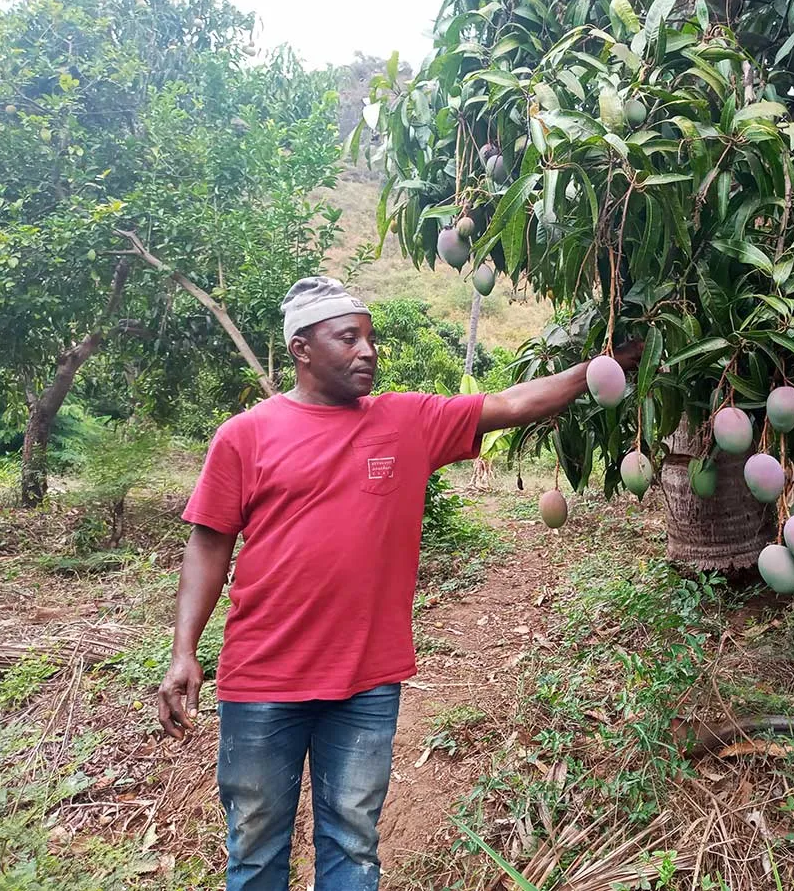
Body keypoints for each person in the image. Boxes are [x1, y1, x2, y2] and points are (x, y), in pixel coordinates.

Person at [157, 276, 641, 891]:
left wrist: (604, 363)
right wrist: (183, 653)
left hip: (366, 679)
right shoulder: (245, 435)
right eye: (348, 338)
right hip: (262, 679)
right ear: (301, 349)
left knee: (353, 841)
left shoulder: (407, 420)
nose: (367, 351)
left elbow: (514, 403)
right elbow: (208, 544)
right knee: (254, 844)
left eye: (371, 338)